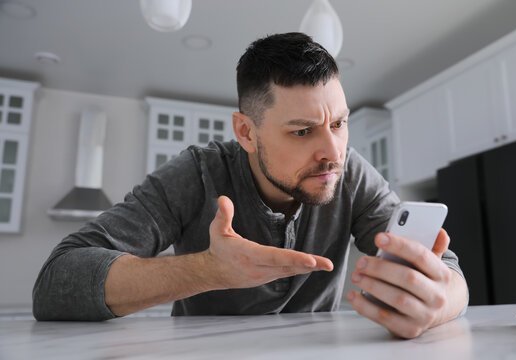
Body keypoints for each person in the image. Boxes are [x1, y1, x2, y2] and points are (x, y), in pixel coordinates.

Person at [33, 32, 468, 339]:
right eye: (302, 132)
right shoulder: (197, 173)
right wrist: (205, 271)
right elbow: (55, 283)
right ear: (246, 133)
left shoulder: (348, 171)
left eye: (339, 123)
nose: (332, 151)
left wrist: (440, 302)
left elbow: (450, 274)